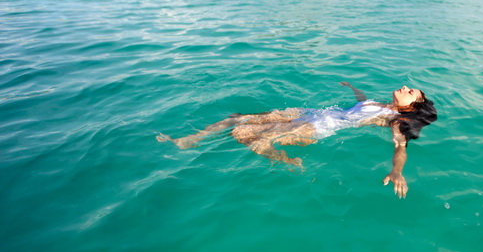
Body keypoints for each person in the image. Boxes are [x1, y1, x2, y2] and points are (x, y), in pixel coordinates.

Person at [157, 82, 437, 198]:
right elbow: (362, 105)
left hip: (316, 128)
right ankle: (190, 140)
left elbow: (400, 146)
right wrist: (355, 89)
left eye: (411, 92)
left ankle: (287, 161)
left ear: (412, 106)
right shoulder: (382, 105)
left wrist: (397, 170)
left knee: (246, 137)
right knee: (237, 117)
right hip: (310, 114)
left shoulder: (395, 121)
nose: (405, 87)